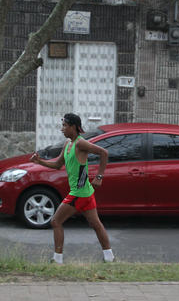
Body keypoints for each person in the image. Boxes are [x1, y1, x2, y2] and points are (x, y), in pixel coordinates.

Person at [30, 113, 115, 264]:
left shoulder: (81, 144)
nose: (62, 129)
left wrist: (100, 177)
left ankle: (57, 259)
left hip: (79, 192)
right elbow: (57, 164)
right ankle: (109, 257)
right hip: (85, 191)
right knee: (96, 224)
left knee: (56, 221)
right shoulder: (68, 144)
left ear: (74, 127)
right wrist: (39, 161)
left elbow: (104, 153)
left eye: (64, 126)